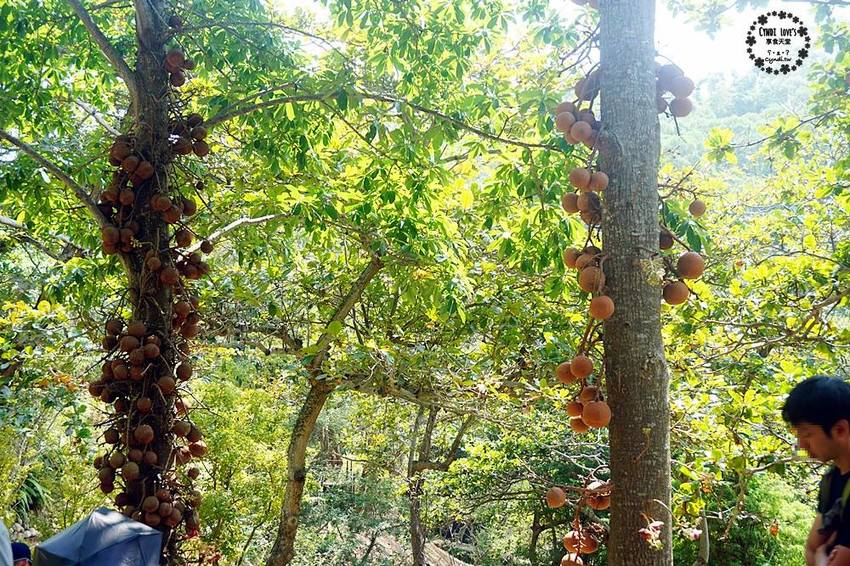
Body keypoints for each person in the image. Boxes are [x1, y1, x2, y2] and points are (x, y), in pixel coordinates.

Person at [783, 375, 850, 565]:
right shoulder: (832, 480)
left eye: (807, 434)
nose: (801, 444)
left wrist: (822, 554)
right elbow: (812, 548)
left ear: (840, 430)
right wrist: (820, 555)